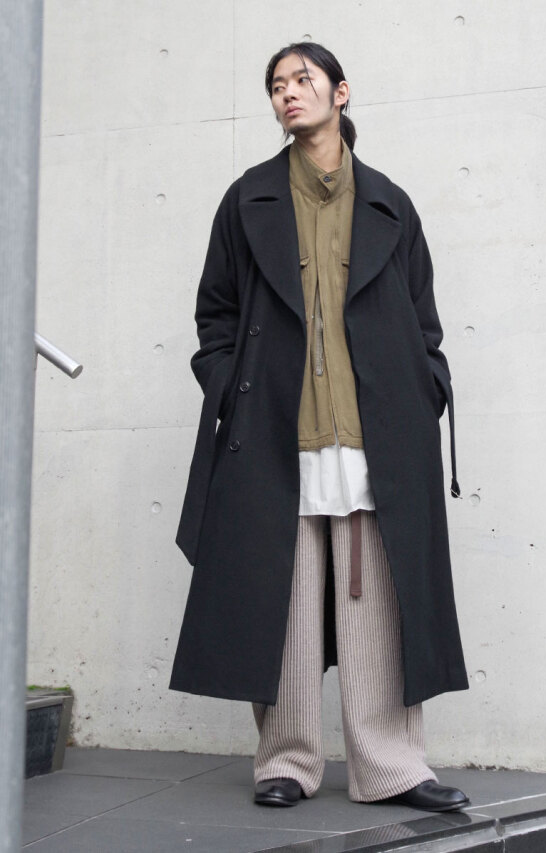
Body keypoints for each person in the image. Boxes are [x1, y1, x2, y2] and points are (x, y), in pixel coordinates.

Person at [169, 41, 470, 812]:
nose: (287, 93)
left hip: (379, 434)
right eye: (276, 85)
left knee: (379, 609)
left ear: (341, 91)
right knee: (285, 605)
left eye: (302, 79)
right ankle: (287, 760)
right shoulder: (247, 200)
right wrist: (231, 389)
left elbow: (423, 321)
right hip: (276, 431)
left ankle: (392, 765)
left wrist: (425, 390)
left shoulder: (389, 202)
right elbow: (215, 315)